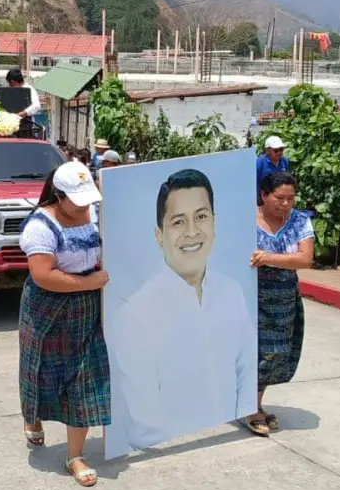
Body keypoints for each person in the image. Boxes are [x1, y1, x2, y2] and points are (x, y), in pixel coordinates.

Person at [110, 169, 255, 452]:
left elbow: (246, 371)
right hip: (172, 454)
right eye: (178, 221)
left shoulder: (233, 292)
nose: (192, 232)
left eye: (201, 217)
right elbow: (145, 423)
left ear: (215, 223)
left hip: (229, 442)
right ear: (159, 235)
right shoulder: (134, 316)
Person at [18, 161, 110, 488]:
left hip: (85, 309)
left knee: (84, 380)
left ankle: (75, 455)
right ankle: (33, 418)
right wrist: (90, 282)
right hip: (48, 307)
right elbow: (43, 275)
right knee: (40, 371)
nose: (84, 206)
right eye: (77, 199)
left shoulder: (94, 214)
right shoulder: (40, 226)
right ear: (58, 196)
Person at [247, 171, 315, 436]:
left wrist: (268, 258)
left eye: (291, 198)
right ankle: (252, 407)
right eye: (279, 198)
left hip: (284, 295)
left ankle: (254, 403)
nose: (286, 204)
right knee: (252, 351)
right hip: (250, 293)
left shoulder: (299, 221)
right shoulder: (245, 219)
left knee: (275, 352)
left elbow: (304, 259)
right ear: (263, 195)